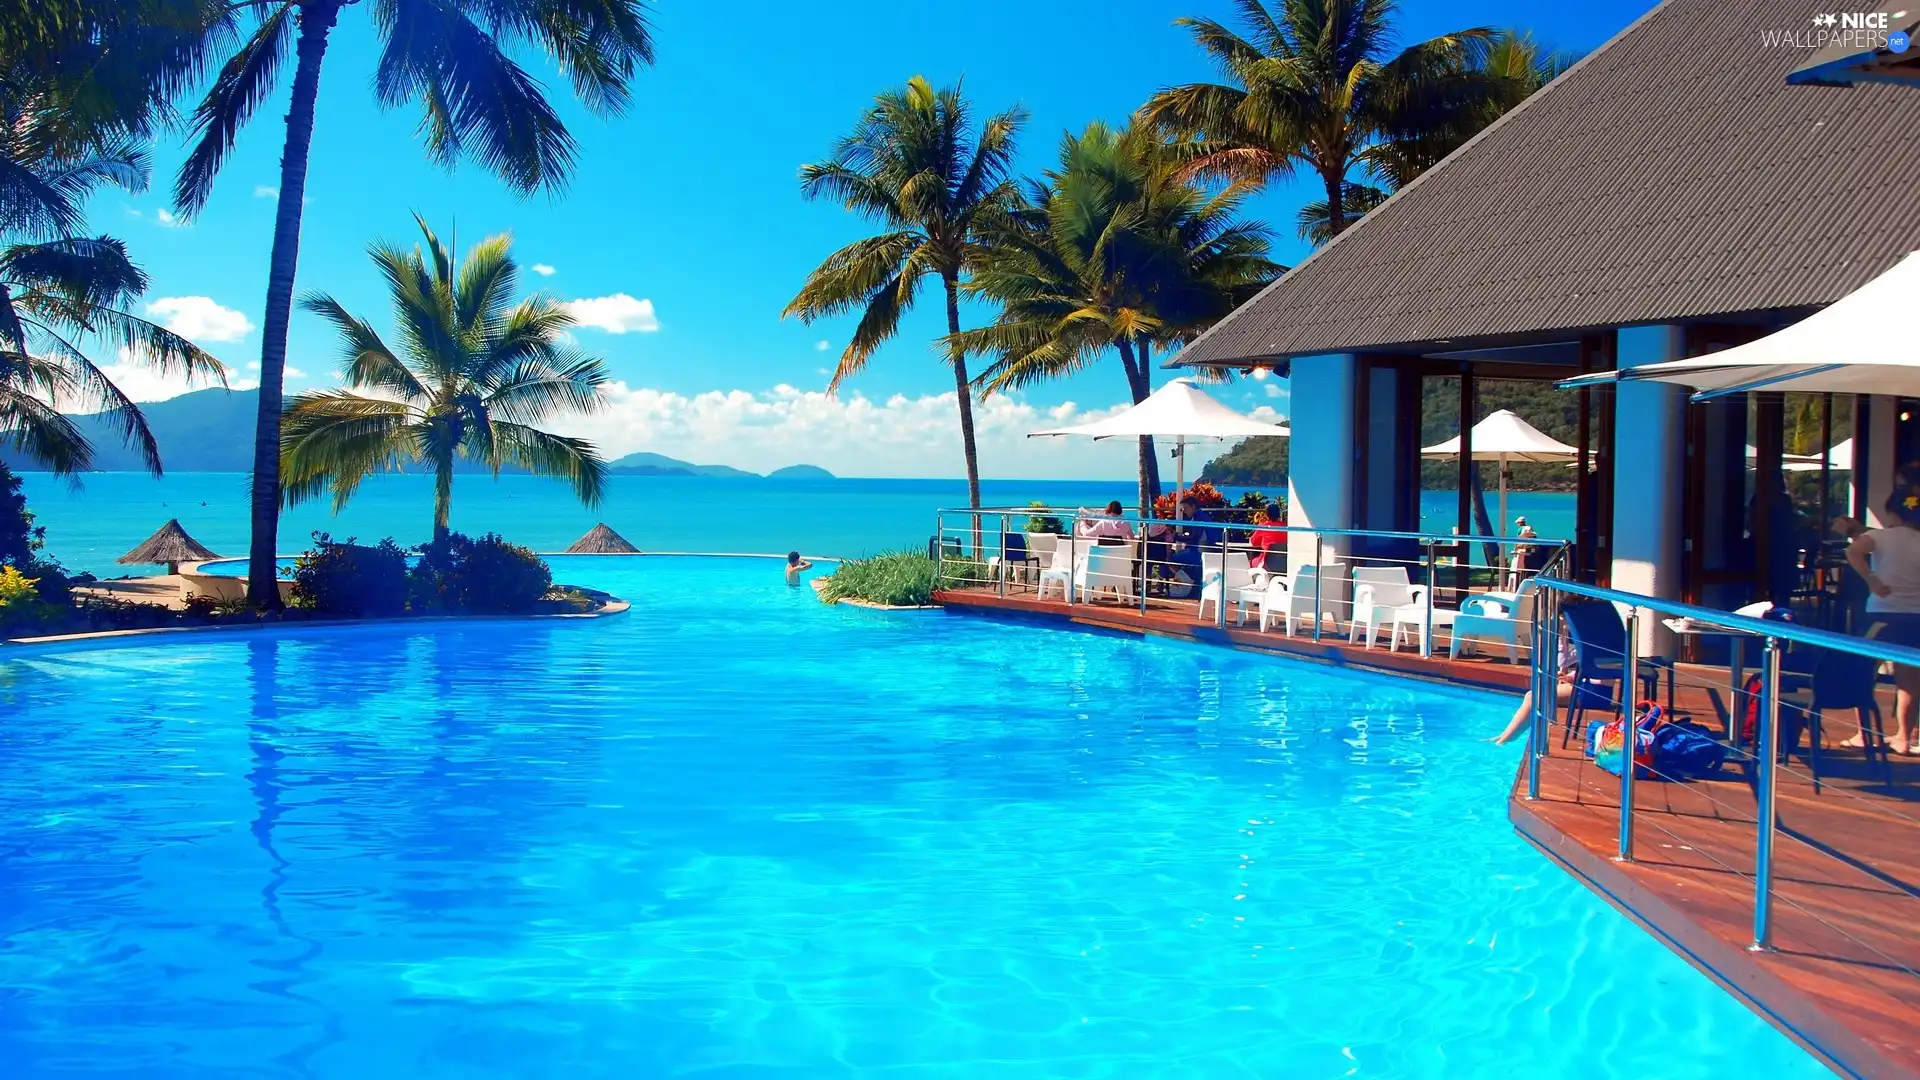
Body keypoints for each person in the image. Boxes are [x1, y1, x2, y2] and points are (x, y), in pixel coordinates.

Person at [1844, 494, 1920, 754]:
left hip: (1882, 613)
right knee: (1909, 678)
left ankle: (1864, 734)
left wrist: (1871, 579)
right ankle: (1904, 737)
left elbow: (1854, 551)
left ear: (1893, 514)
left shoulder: (1882, 537)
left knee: (1864, 670)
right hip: (1915, 615)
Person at [1493, 633, 1579, 745]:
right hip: (1585, 685)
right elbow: (1589, 668)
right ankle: (1504, 736)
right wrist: (1571, 676)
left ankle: (1504, 741)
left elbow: (1596, 674)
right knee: (1531, 695)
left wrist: (1562, 635)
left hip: (1591, 690)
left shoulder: (1596, 641)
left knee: (1535, 697)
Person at [1247, 503, 1285, 572]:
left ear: (1267, 514)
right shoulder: (1285, 526)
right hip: (1284, 563)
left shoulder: (1263, 526)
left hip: (1267, 562)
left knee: (1250, 562)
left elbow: (1253, 542)